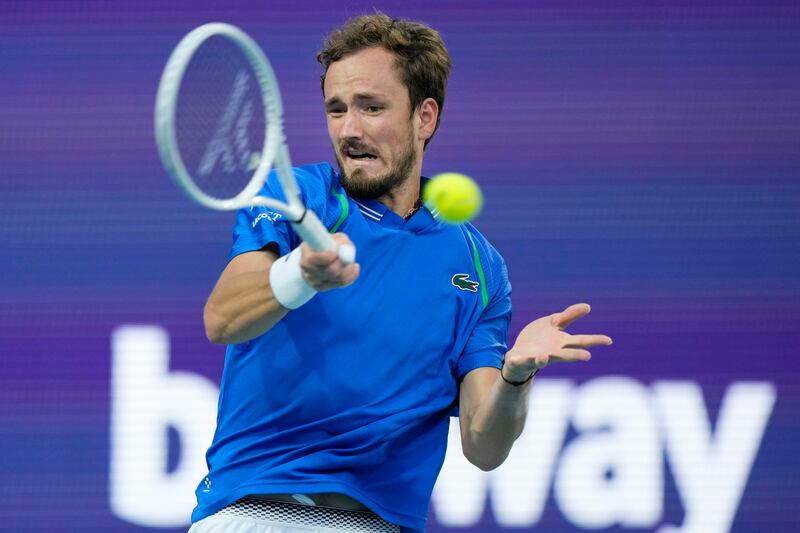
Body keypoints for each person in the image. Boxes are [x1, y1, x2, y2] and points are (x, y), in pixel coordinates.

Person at [189, 12, 612, 533]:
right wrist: (299, 274)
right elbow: (222, 318)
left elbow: (484, 445)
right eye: (337, 109)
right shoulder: (297, 196)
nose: (349, 129)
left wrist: (515, 377)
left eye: (371, 107)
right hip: (263, 513)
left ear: (425, 117)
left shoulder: (479, 268)